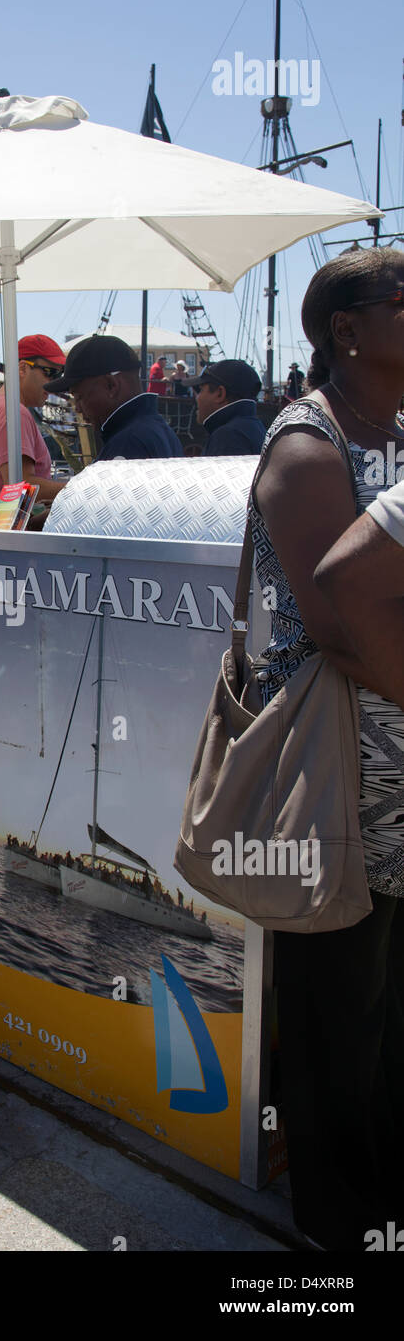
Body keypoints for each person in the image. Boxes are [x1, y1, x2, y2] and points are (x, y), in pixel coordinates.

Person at [247, 246, 404, 1250]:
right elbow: (332, 622)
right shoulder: (308, 446)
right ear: (346, 328)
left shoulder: (392, 435)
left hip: (393, 764)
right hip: (334, 770)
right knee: (333, 996)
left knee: (385, 994)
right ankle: (338, 1216)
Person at [0, 335, 69, 514]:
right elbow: (20, 488)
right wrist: (79, 490)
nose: (56, 383)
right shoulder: (14, 412)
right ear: (22, 368)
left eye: (60, 374)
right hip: (18, 538)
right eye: (50, 373)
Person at [45, 335, 184, 460]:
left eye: (79, 397)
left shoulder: (127, 443)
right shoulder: (162, 431)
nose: (78, 408)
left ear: (111, 385)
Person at [187, 359, 265, 456]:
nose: (197, 398)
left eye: (201, 390)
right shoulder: (255, 427)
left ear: (220, 394)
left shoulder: (227, 436)